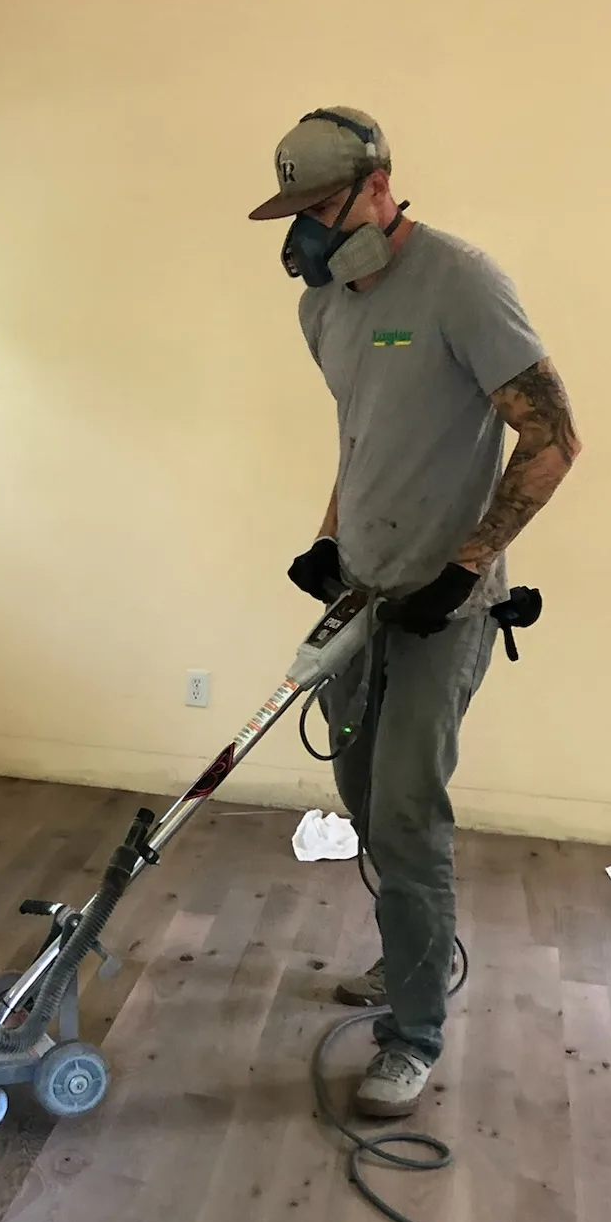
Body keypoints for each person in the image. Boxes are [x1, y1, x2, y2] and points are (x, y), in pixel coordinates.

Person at [249, 107, 580, 1118]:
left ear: (379, 186)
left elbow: (555, 438)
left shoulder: (461, 282)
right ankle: (408, 956)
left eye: (318, 206)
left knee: (405, 807)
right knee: (358, 788)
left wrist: (464, 565)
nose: (302, 230)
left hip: (449, 603)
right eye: (290, 211)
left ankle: (415, 1030)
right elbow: (366, 442)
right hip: (363, 589)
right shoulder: (323, 309)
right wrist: (329, 539)